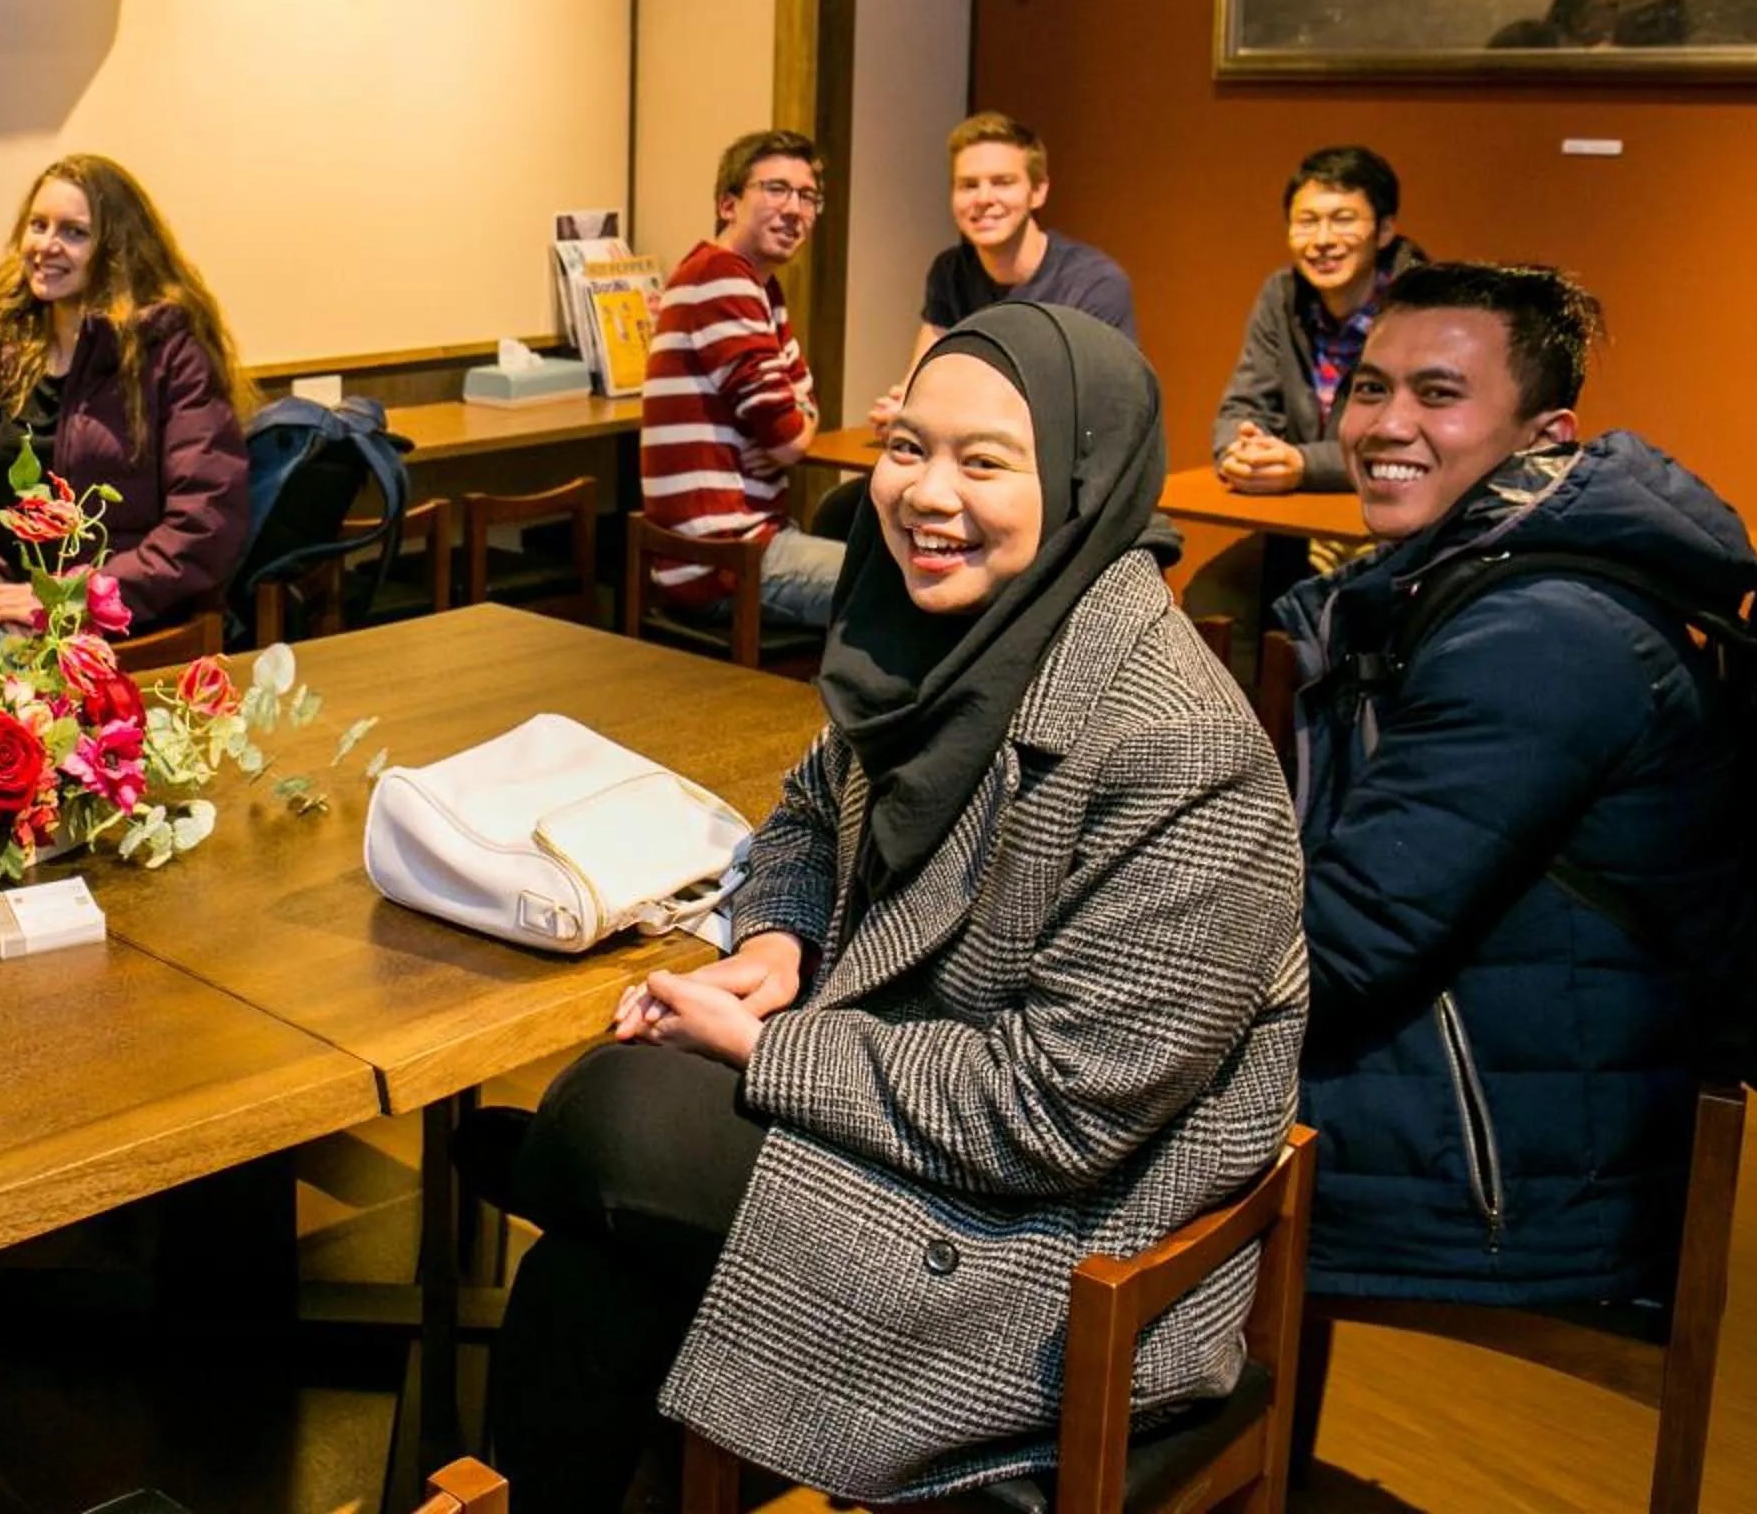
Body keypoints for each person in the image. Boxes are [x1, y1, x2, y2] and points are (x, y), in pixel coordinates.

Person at [479, 304, 1307, 1509]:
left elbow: (1056, 1111)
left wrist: (767, 1045)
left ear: (1084, 484)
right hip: (923, 1115)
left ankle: (553, 1166)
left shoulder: (1180, 748)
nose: (926, 493)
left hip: (1060, 1236)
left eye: (986, 461)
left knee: (617, 1119)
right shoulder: (942, 637)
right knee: (587, 1265)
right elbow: (809, 810)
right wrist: (779, 936)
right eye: (907, 447)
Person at [1278, 264, 1757, 1308]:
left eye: (1439, 394)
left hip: (1511, 1179)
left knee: (1069, 1158)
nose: (1386, 423)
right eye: (1371, 387)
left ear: (1546, 436)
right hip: (1498, 1103)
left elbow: (1343, 947)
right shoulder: (1466, 587)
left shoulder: (1540, 635)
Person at [0, 153, 252, 647]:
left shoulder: (167, 350)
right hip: (4, 620)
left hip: (127, 628)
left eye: (74, 232)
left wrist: (65, 601)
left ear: (117, 249)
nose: (46, 246)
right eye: (38, 225)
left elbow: (205, 524)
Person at [637, 129, 838, 624]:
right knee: (902, 589)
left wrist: (796, 415)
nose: (794, 210)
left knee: (859, 525)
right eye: (776, 189)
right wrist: (796, 418)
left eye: (807, 197)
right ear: (728, 205)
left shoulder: (757, 288)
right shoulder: (721, 276)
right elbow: (789, 439)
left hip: (739, 547)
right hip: (725, 561)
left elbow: (797, 407)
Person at [866, 113, 1138, 428]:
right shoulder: (949, 272)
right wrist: (902, 410)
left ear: (1038, 191)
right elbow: (921, 388)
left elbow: (1098, 412)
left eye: (1002, 182)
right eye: (968, 185)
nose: (983, 199)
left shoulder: (1094, 284)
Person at [1212, 145, 1423, 499]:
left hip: (1397, 513)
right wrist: (1241, 452)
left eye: (1343, 220)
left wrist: (1306, 466)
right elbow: (1242, 406)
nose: (1322, 240)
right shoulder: (1282, 295)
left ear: (1385, 230)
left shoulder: (1424, 305)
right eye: (1307, 222)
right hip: (1299, 516)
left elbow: (1409, 439)